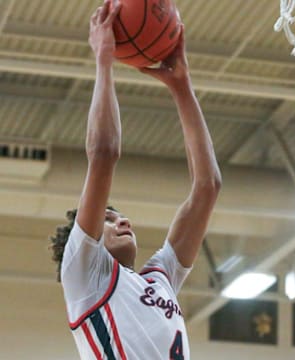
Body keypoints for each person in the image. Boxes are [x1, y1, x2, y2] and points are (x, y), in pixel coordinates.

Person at [50, 0, 221, 359]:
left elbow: (207, 188)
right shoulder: (84, 274)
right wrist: (104, 61)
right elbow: (103, 153)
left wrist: (182, 86)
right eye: (108, 219)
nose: (122, 220)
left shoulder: (159, 281)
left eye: (118, 215)